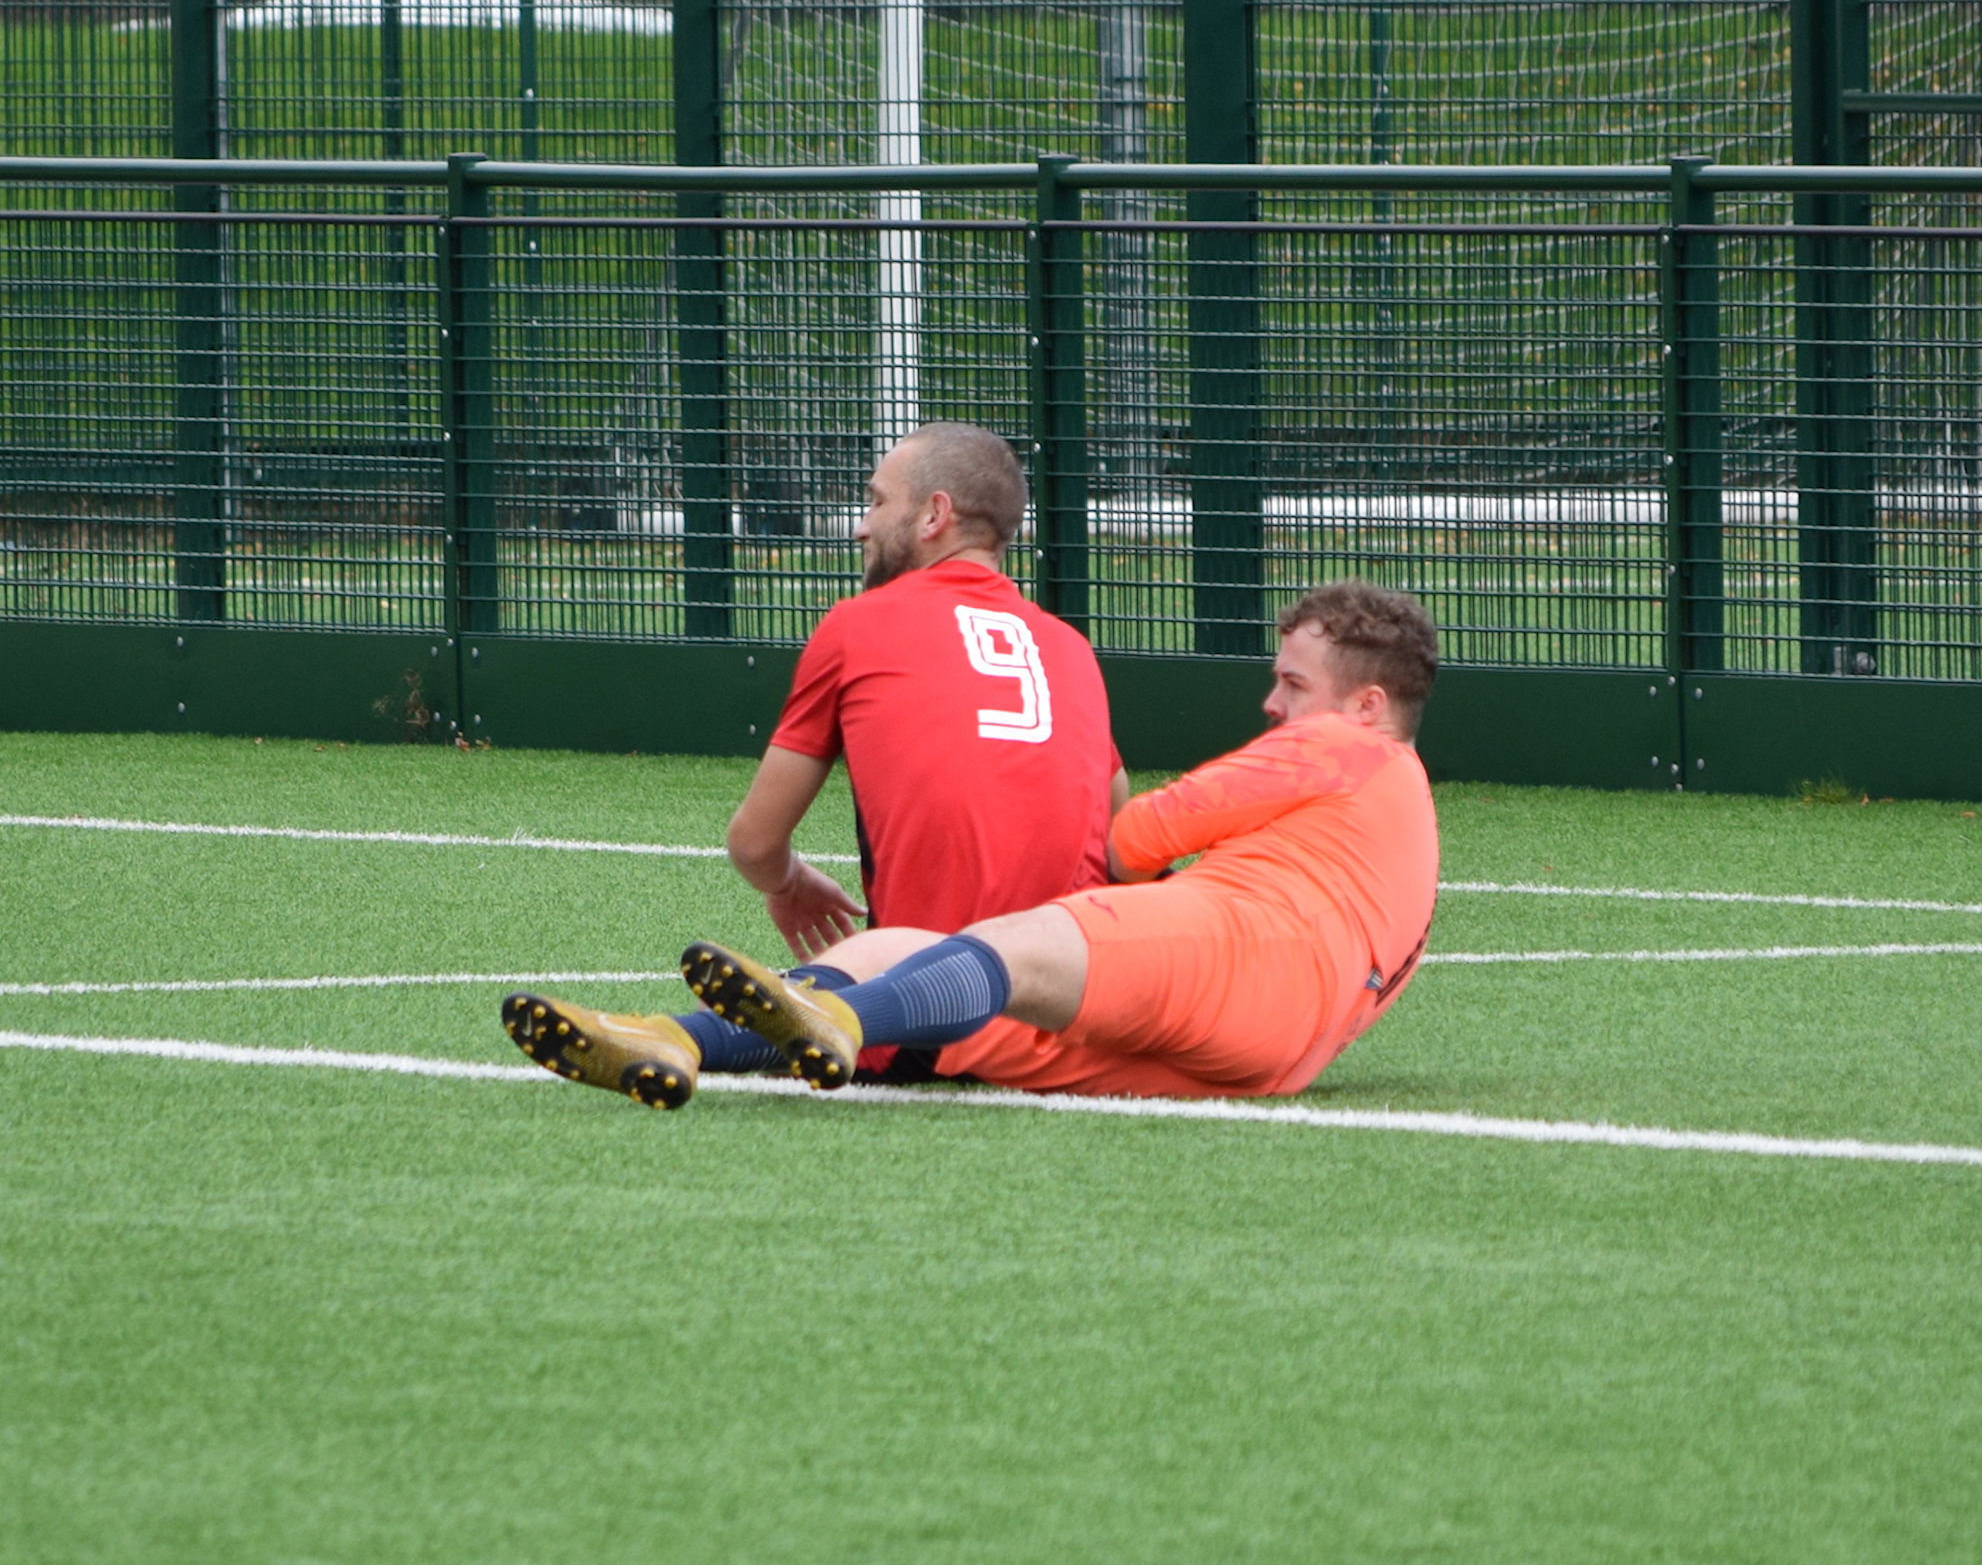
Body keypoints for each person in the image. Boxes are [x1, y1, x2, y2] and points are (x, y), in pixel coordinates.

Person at [504, 579, 1439, 1107]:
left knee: (1015, 941)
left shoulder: (1349, 746)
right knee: (910, 959)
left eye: (1291, 682)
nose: (1272, 704)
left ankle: (846, 1020)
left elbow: (1139, 834)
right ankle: (673, 1041)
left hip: (1244, 955)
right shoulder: (1405, 838)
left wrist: (1136, 879)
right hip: (1271, 1058)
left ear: (1365, 704)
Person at [709, 421, 1124, 1082]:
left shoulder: (857, 625)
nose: (860, 527)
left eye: (876, 501)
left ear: (935, 514)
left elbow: (755, 842)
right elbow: (1125, 843)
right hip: (1074, 1017)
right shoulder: (1069, 648)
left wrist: (787, 883)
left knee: (758, 1031)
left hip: (929, 1025)